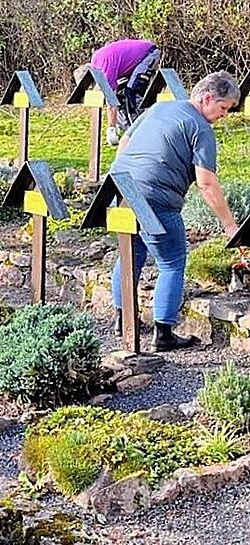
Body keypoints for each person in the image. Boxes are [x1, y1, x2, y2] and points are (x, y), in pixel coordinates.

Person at [109, 71, 240, 352]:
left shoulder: (160, 108)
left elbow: (125, 143)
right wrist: (230, 224)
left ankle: (123, 319)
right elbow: (206, 183)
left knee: (130, 254)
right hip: (157, 198)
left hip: (121, 189)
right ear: (207, 98)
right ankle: (164, 334)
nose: (224, 115)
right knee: (172, 262)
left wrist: (132, 176)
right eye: (224, 108)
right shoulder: (200, 129)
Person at [74, 39, 161, 145]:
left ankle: (142, 131)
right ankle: (126, 131)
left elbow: (111, 103)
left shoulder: (105, 72)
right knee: (121, 94)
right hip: (133, 60)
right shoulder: (95, 62)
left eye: (90, 85)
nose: (92, 87)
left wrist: (111, 128)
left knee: (132, 92)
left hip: (148, 53)